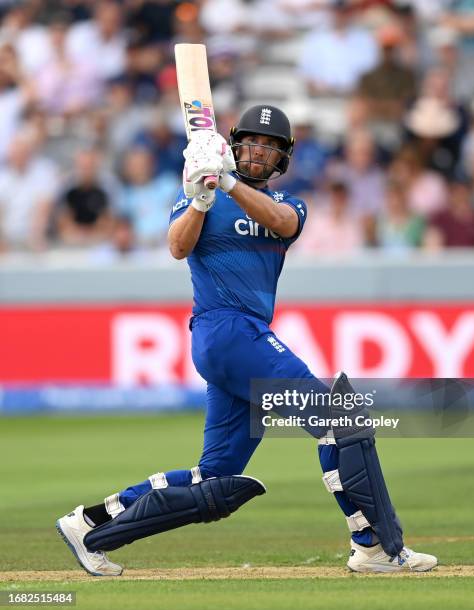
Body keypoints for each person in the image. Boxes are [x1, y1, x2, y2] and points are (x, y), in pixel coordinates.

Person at [56, 105, 437, 576]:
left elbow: (281, 224)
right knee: (342, 421)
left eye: (270, 146)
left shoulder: (290, 204)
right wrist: (200, 198)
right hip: (226, 330)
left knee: (213, 477)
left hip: (241, 339)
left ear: (282, 159)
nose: (259, 151)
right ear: (236, 145)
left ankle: (91, 524)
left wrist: (229, 183)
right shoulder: (202, 195)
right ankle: (376, 546)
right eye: (252, 142)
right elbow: (177, 247)